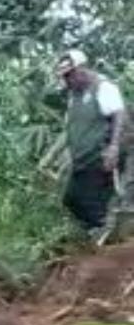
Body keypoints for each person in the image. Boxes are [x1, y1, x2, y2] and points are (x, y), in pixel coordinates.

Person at [56, 49, 126, 236]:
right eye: (65, 77)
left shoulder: (103, 88)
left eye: (70, 75)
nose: (67, 81)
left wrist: (113, 147)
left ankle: (106, 236)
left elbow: (119, 115)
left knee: (89, 200)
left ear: (82, 69)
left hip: (99, 156)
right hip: (81, 158)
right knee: (70, 199)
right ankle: (94, 235)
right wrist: (67, 155)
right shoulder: (74, 96)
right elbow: (72, 127)